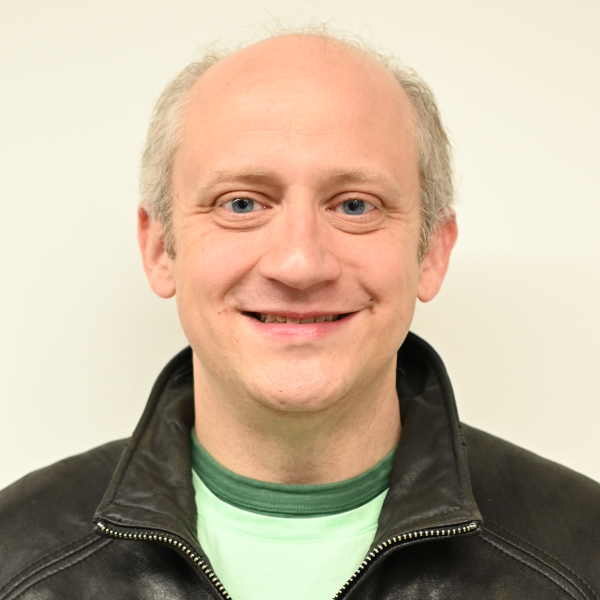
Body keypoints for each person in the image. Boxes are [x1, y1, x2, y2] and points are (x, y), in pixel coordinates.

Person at [1, 31, 599, 600]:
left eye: (355, 205)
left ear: (432, 253)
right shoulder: (14, 559)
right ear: (160, 249)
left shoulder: (584, 555)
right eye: (241, 203)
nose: (300, 263)